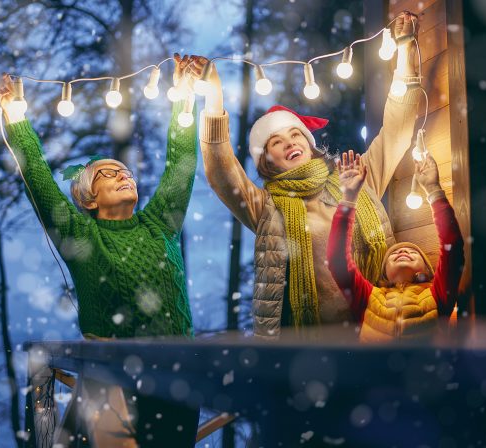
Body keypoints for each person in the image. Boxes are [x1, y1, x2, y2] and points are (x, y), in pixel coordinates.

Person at [0, 54, 199, 446]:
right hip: (114, 376)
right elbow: (38, 174)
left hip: (179, 373)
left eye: (126, 171)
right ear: (88, 199)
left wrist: (185, 97)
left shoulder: (160, 224)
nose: (124, 174)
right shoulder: (81, 237)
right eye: (110, 173)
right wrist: (16, 118)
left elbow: (182, 165)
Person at [195, 13, 422, 338]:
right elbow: (219, 170)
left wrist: (405, 54)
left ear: (310, 142)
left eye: (295, 135)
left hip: (375, 330)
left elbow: (397, 130)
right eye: (276, 142)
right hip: (308, 346)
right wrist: (213, 95)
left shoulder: (355, 179)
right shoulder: (266, 206)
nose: (289, 143)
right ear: (266, 161)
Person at [327, 150, 464, 341]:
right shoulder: (367, 297)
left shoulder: (437, 293)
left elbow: (453, 248)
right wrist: (348, 198)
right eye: (395, 253)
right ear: (384, 272)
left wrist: (433, 190)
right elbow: (337, 261)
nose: (403, 251)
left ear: (426, 268)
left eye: (412, 252)